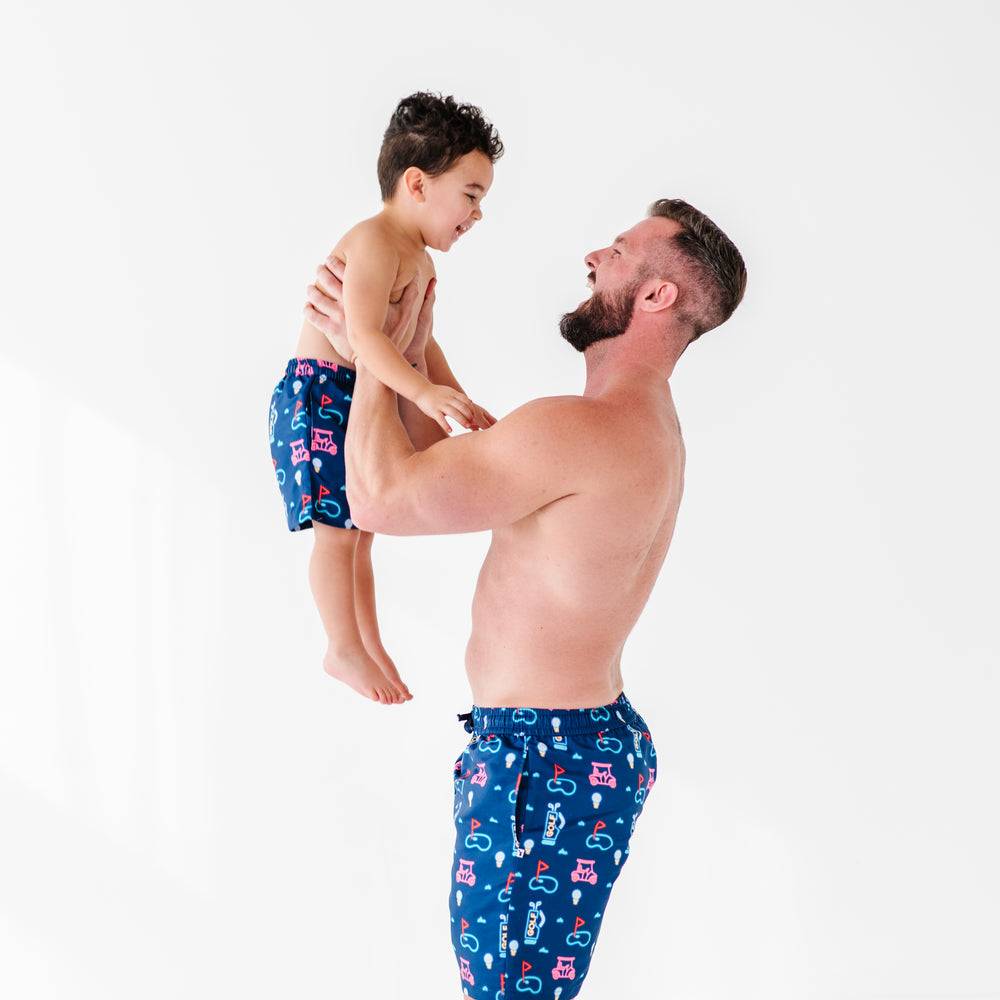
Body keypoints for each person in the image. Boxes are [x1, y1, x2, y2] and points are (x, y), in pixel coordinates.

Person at [304, 197, 747, 998]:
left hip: (542, 761)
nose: (591, 258)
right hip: (566, 746)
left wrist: (365, 349)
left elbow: (378, 499)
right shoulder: (633, 426)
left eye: (616, 251)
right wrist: (410, 346)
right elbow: (456, 463)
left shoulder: (583, 430)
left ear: (657, 297)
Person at [269, 93, 502, 706]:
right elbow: (367, 336)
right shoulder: (375, 242)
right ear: (418, 184)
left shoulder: (419, 258)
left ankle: (369, 643)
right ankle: (339, 646)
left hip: (353, 395)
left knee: (363, 530)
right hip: (318, 396)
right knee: (335, 534)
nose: (477, 214)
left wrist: (453, 397)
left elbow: (420, 339)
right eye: (471, 195)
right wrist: (421, 391)